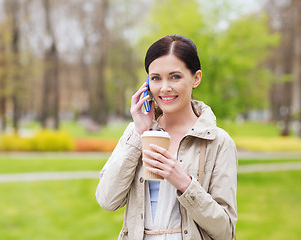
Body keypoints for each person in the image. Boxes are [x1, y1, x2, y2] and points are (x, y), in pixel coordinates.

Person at [96, 34, 237, 240]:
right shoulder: (137, 134)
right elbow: (107, 200)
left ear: (196, 78)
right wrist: (139, 132)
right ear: (147, 83)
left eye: (175, 77)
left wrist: (185, 185)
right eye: (156, 78)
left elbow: (225, 231)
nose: (164, 88)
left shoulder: (218, 142)